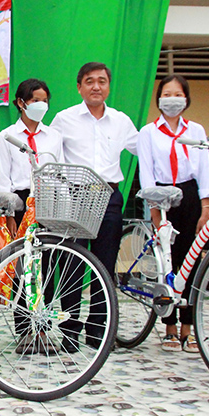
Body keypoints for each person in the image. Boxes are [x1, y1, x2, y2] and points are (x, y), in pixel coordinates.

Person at [50, 62, 138, 352]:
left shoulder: (121, 121)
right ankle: (70, 333)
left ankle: (99, 332)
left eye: (102, 81)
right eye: (89, 81)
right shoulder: (64, 119)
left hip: (109, 197)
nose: (96, 86)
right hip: (75, 197)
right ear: (79, 87)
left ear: (108, 87)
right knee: (72, 265)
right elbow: (47, 149)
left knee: (104, 266)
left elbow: (145, 148)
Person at [137, 74, 209, 353]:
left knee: (190, 262)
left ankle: (188, 328)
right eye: (167, 94)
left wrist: (206, 209)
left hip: (190, 196)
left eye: (178, 94)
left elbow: (204, 171)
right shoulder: (148, 132)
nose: (172, 99)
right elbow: (146, 173)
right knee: (167, 265)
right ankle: (169, 327)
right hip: (162, 196)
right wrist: (155, 213)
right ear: (159, 99)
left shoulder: (196, 130)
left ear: (186, 99)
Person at [0, 78, 64, 354]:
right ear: (21, 103)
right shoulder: (7, 135)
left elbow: (59, 170)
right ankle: (24, 330)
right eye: (35, 100)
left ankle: (43, 329)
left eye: (44, 100)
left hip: (47, 199)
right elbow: (3, 177)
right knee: (23, 266)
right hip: (20, 201)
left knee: (46, 266)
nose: (41, 105)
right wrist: (9, 212)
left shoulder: (54, 136)